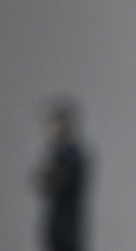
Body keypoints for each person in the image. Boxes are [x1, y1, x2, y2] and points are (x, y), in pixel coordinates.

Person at [35, 97, 88, 251]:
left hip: (67, 227)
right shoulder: (59, 154)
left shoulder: (74, 156)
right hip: (57, 225)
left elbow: (55, 180)